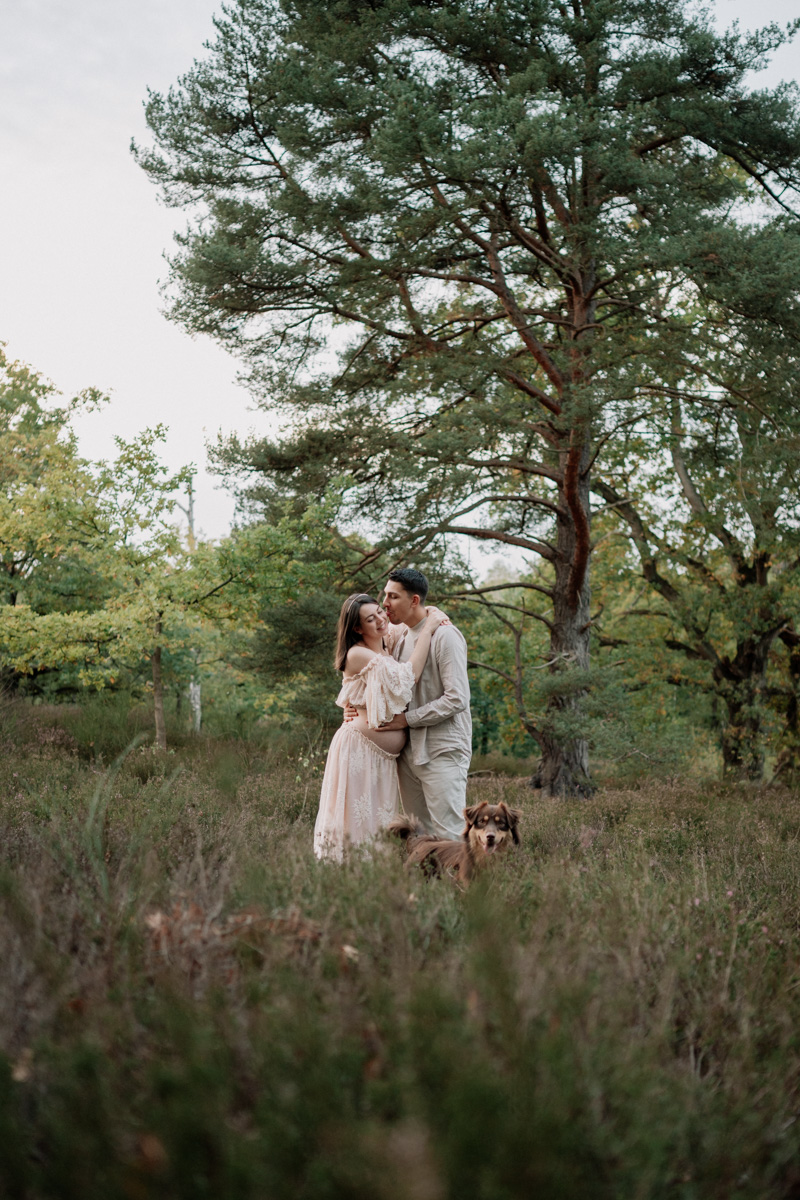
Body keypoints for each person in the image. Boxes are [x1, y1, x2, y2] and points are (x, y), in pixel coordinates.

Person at [313, 593, 446, 861]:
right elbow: (409, 676)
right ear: (357, 628)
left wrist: (428, 613)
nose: (380, 620)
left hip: (383, 759)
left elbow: (414, 612)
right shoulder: (358, 653)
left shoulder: (386, 640)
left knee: (376, 826)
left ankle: (371, 883)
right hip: (359, 752)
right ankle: (346, 881)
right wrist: (430, 628)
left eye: (380, 612)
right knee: (356, 825)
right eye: (370, 619)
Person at [347, 568, 472, 840]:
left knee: (449, 832)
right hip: (408, 755)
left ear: (414, 601)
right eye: (384, 595)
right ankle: (427, 884)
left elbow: (457, 698)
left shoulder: (445, 636)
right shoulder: (399, 636)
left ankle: (464, 883)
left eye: (393, 596)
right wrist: (353, 706)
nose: (385, 604)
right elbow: (372, 673)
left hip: (441, 750)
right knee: (419, 835)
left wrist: (407, 720)